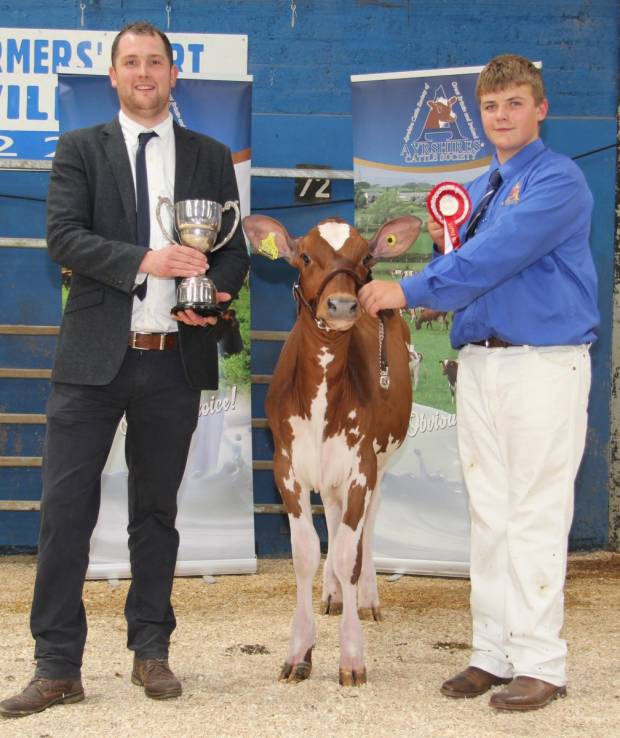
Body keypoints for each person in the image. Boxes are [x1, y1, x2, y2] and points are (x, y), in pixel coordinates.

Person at [0, 21, 249, 718]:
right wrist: (149, 261)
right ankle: (57, 667)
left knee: (156, 515)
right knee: (63, 515)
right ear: (113, 76)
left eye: (156, 63)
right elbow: (63, 237)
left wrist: (216, 293)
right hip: (90, 364)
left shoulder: (208, 155)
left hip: (173, 361)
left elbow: (230, 251)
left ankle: (152, 651)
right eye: (131, 63)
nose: (144, 74)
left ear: (174, 76)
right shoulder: (81, 150)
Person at [359, 54, 599, 711]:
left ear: (540, 109)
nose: (502, 115)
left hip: (542, 365)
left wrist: (406, 288)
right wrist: (445, 272)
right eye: (492, 106)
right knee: (491, 513)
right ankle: (492, 651)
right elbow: (476, 268)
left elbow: (498, 256)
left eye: (516, 103)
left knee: (535, 512)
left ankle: (542, 662)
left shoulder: (558, 182)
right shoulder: (484, 188)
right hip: (485, 364)